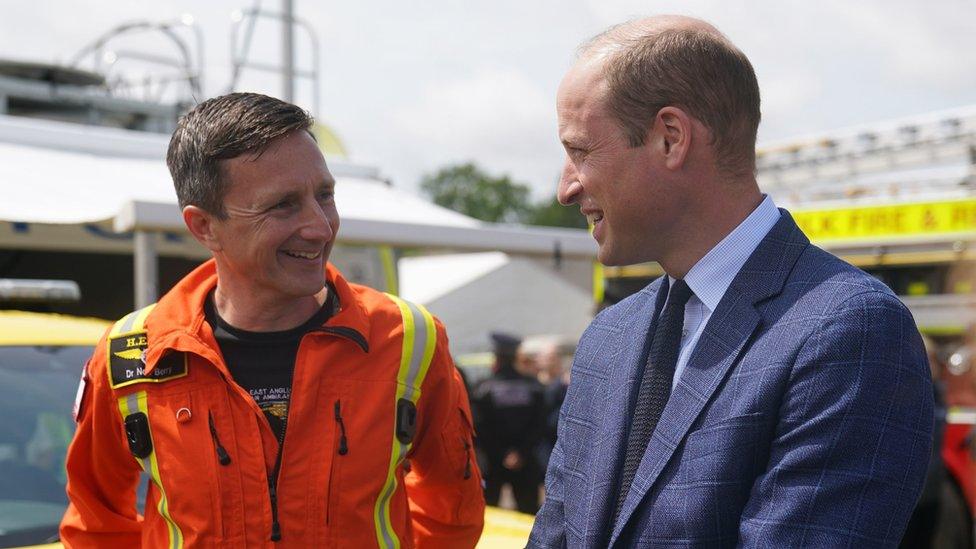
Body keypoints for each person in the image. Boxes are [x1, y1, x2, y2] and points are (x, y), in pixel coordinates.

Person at [529, 16, 934, 547]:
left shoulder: (849, 331)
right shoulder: (609, 338)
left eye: (580, 150)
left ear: (670, 139)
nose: (565, 187)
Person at [60, 92, 484, 547]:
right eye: (283, 205)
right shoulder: (131, 354)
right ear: (204, 226)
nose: (320, 227)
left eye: (325, 195)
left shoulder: (408, 338)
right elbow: (96, 523)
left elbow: (451, 512)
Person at [472, 332, 546, 514]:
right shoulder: (534, 387)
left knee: (489, 514)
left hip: (493, 462)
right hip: (526, 460)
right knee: (528, 513)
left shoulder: (483, 389)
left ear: (496, 357)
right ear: (515, 357)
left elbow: (479, 427)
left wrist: (502, 453)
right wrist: (520, 452)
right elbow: (540, 425)